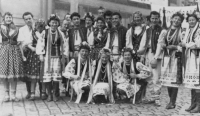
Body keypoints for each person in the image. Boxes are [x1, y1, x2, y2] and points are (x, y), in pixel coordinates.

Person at [154, 12, 184, 109]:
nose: (176, 21)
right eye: (175, 18)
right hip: (166, 58)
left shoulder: (181, 32)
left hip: (176, 58)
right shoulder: (165, 32)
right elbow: (160, 43)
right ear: (171, 19)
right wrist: (161, 47)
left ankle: (172, 101)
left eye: (179, 20)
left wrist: (175, 47)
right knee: (167, 80)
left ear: (181, 22)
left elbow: (184, 46)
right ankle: (171, 101)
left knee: (174, 80)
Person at [36, 14, 66, 102]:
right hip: (47, 58)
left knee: (56, 78)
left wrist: (63, 56)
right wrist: (41, 54)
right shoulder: (45, 32)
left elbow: (64, 45)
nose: (54, 25)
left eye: (56, 23)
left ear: (58, 24)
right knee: (48, 77)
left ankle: (55, 94)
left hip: (57, 58)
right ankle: (49, 94)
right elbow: (40, 43)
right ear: (49, 23)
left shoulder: (60, 33)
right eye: (52, 23)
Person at [137, 11, 163, 106]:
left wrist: (156, 57)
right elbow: (143, 43)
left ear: (159, 19)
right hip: (148, 53)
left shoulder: (162, 30)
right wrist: (141, 53)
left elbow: (161, 45)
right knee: (149, 76)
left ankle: (157, 98)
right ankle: (152, 97)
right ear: (150, 19)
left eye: (156, 18)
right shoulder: (147, 30)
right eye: (152, 18)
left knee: (156, 77)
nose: (154, 20)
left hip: (156, 54)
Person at [0, 12, 25, 102]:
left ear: (12, 18)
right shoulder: (1, 28)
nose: (9, 19)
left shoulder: (16, 29)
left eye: (10, 17)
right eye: (7, 17)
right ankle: (6, 94)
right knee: (5, 74)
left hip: (14, 52)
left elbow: (20, 43)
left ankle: (13, 95)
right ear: (4, 18)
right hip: (4, 52)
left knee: (13, 74)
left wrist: (22, 55)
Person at [23, 19, 46, 100]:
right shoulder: (33, 33)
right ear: (35, 26)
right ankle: (32, 92)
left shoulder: (45, 34)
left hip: (43, 55)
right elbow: (27, 42)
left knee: (42, 74)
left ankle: (43, 92)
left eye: (41, 26)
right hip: (34, 56)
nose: (39, 27)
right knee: (33, 75)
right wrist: (32, 48)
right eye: (38, 26)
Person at [182, 13, 200, 113]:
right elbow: (184, 41)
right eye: (189, 20)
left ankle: (199, 105)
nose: (191, 21)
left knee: (197, 82)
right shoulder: (189, 30)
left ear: (196, 20)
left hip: (197, 58)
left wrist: (186, 45)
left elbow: (198, 43)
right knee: (192, 82)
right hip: (190, 58)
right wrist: (185, 44)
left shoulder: (199, 30)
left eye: (193, 20)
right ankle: (193, 103)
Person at [18, 12, 36, 99]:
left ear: (32, 18)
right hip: (26, 53)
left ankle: (40, 92)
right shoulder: (21, 30)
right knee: (27, 73)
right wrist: (28, 45)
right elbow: (22, 42)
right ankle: (29, 92)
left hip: (36, 51)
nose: (28, 20)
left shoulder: (37, 28)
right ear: (24, 20)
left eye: (30, 18)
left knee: (36, 72)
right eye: (26, 19)